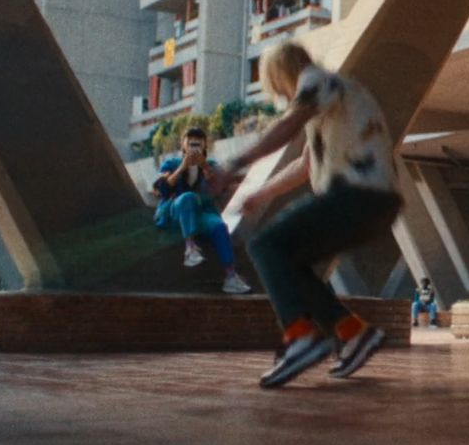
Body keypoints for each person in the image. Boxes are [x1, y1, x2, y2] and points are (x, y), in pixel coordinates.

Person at [211, 42, 403, 387]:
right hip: (380, 203)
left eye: (275, 87)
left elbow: (287, 125)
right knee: (290, 262)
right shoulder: (339, 94)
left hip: (356, 195)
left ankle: (301, 337)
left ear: (280, 75)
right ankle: (352, 332)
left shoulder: (315, 80)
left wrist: (233, 164)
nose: (282, 97)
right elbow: (305, 165)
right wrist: (260, 193)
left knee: (265, 246)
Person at [153, 126, 250, 295]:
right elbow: (162, 189)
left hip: (201, 214)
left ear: (205, 146)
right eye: (191, 144)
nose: (194, 148)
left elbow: (219, 186)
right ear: (183, 145)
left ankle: (231, 276)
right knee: (188, 197)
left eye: (198, 145)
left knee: (219, 226)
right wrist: (182, 167)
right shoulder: (172, 164)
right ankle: (190, 248)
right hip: (175, 212)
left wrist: (204, 166)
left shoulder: (210, 166)